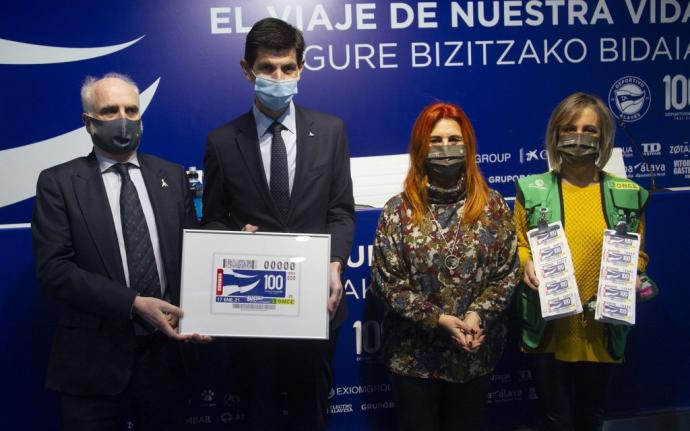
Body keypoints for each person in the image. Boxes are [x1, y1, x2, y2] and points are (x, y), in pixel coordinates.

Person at [201, 17, 355, 430]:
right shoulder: (222, 141)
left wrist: (335, 262)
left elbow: (340, 210)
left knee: (311, 414)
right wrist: (234, 239)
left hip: (316, 308)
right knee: (260, 415)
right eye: (267, 68)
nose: (278, 76)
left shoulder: (330, 131)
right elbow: (212, 218)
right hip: (253, 310)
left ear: (301, 67)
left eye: (288, 67)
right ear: (246, 69)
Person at [32, 73, 206, 430]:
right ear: (89, 123)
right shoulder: (59, 183)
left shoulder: (171, 176)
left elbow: (195, 253)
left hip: (167, 359)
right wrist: (132, 303)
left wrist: (237, 244)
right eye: (110, 111)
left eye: (131, 109)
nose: (123, 120)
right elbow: (55, 271)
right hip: (93, 365)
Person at [371, 102, 519, 431]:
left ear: (467, 145)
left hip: (473, 353)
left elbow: (506, 275)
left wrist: (476, 315)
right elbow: (387, 284)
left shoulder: (492, 206)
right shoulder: (397, 211)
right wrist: (437, 319)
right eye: (435, 141)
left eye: (454, 139)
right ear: (420, 148)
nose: (445, 148)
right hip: (413, 360)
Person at [514, 92, 651, 431]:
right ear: (555, 135)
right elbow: (519, 244)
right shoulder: (531, 190)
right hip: (549, 327)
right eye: (570, 128)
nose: (579, 137)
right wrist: (525, 264)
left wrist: (634, 273)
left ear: (604, 136)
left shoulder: (628, 192)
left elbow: (639, 252)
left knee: (592, 417)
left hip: (601, 327)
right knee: (555, 419)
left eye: (589, 129)